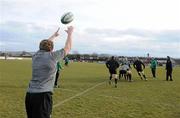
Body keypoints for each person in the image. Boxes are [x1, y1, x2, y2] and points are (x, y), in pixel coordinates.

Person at [25, 26, 74, 118]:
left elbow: (44, 44)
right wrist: (70, 34)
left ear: (40, 47)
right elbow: (68, 47)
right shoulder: (53, 56)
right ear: (51, 49)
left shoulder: (35, 55)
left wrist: (54, 36)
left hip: (29, 94)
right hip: (43, 95)